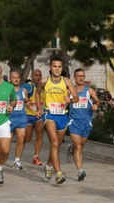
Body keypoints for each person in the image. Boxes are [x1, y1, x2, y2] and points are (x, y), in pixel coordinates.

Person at [35, 56, 79, 184]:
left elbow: (76, 98)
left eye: (59, 67)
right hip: (49, 114)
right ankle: (59, 173)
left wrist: (70, 100)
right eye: (55, 66)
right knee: (54, 142)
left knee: (57, 145)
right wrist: (39, 108)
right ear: (50, 67)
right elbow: (37, 93)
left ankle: (48, 166)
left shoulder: (66, 81)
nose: (57, 69)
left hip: (62, 115)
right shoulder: (44, 81)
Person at [66, 68, 100, 181]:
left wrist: (96, 105)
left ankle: (71, 150)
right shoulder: (70, 91)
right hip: (74, 121)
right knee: (79, 146)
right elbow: (62, 101)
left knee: (79, 147)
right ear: (74, 78)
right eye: (78, 76)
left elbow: (97, 101)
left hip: (86, 122)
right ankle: (80, 171)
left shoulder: (89, 91)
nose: (81, 78)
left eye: (83, 76)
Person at [9, 71, 28, 170]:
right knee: (7, 142)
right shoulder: (7, 90)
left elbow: (26, 102)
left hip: (21, 118)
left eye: (18, 77)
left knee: (21, 140)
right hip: (9, 119)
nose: (16, 79)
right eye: (14, 77)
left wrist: (35, 109)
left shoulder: (23, 91)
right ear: (10, 79)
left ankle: (17, 161)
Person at [24, 69, 44, 166]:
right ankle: (20, 142)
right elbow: (22, 91)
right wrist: (26, 100)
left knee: (39, 134)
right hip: (28, 115)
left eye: (40, 75)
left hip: (39, 115)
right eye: (36, 75)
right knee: (27, 138)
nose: (38, 77)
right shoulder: (29, 86)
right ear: (32, 76)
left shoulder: (43, 87)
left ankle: (36, 157)